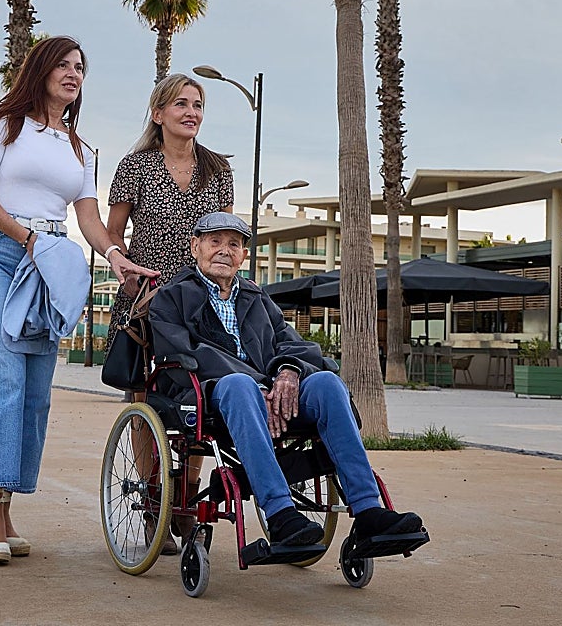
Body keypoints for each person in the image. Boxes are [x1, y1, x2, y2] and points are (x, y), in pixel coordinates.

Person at [0, 35, 156, 565]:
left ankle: (7, 504)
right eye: (64, 65)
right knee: (4, 382)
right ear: (42, 70)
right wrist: (26, 239)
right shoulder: (4, 123)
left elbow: (88, 218)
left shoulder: (79, 148)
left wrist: (116, 257)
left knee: (35, 394)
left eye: (80, 67)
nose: (74, 74)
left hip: (50, 262)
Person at [149, 212, 425, 551]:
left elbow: (291, 342)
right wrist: (259, 385)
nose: (224, 250)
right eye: (215, 241)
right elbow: (186, 353)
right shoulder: (171, 297)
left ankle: (368, 510)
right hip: (210, 394)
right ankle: (280, 514)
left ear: (243, 255)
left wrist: (288, 371)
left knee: (327, 384)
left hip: (269, 393)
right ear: (195, 247)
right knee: (240, 386)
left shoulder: (256, 297)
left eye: (233, 244)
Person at [106, 73, 234, 554]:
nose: (191, 112)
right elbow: (113, 234)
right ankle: (152, 500)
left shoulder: (217, 169)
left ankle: (186, 501)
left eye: (197, 105)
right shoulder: (135, 166)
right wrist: (125, 267)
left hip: (200, 300)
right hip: (145, 298)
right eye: (180, 104)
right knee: (143, 398)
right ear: (158, 113)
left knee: (198, 397)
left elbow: (223, 237)